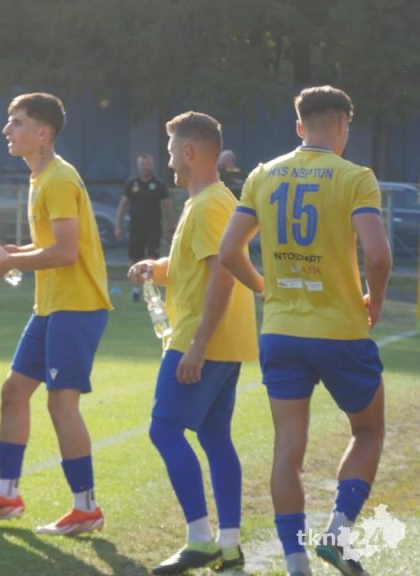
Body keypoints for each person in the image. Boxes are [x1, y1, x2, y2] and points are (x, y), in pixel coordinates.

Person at [219, 86, 391, 576]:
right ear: (343, 125)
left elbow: (229, 251)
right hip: (340, 330)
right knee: (368, 431)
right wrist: (375, 302)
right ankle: (338, 530)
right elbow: (378, 256)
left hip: (282, 331)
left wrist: (265, 289)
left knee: (287, 449)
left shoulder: (263, 174)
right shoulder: (355, 177)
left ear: (299, 126)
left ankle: (295, 561)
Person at [0, 93, 113, 536]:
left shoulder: (58, 179)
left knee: (61, 404)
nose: (6, 129)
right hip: (51, 307)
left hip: (76, 306)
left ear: (42, 134)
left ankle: (86, 508)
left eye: (17, 122)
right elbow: (50, 245)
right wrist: (14, 251)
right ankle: (8, 496)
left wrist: (12, 261)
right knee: (13, 392)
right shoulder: (41, 176)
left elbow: (66, 252)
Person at [128, 112, 256, 574]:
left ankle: (201, 539)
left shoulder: (207, 205)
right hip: (226, 338)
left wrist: (198, 344)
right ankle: (230, 545)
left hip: (203, 338)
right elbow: (197, 265)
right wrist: (156, 268)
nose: (167, 162)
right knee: (215, 436)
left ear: (188, 151)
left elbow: (222, 274)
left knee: (164, 430)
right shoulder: (209, 201)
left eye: (170, 152)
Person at [116, 154, 176, 302]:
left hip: (153, 227)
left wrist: (171, 226)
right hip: (135, 227)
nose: (145, 167)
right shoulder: (132, 183)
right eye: (142, 164)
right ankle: (136, 290)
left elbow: (167, 206)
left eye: (147, 164)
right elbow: (123, 205)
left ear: (152, 166)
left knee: (152, 259)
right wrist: (118, 225)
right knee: (135, 258)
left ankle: (151, 290)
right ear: (138, 166)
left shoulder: (159, 184)